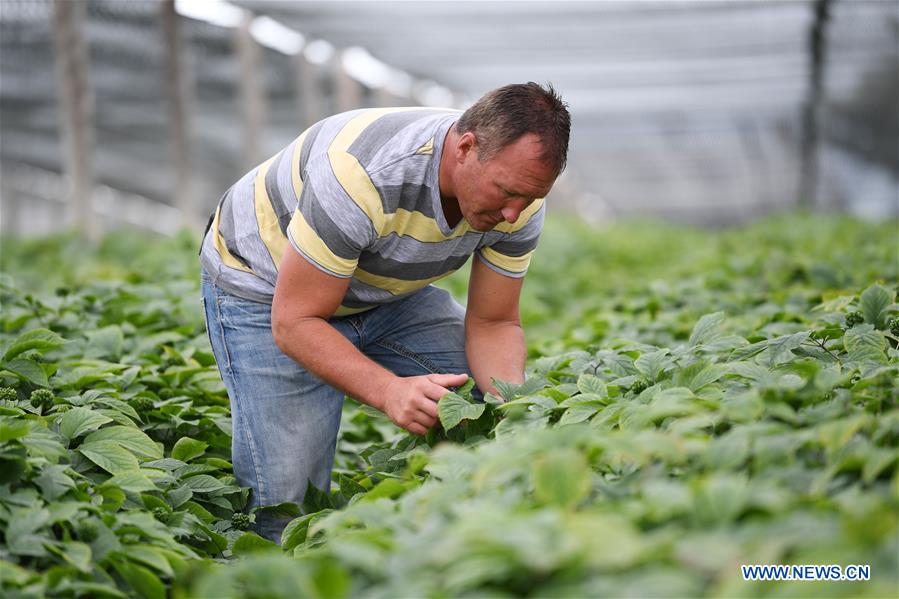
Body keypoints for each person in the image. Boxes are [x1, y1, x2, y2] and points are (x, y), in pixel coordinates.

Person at [199, 82, 570, 541]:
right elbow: (295, 321)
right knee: (285, 502)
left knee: (482, 408)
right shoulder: (363, 175)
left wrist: (511, 407)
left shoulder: (520, 200)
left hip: (384, 291)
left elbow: (493, 322)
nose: (514, 214)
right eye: (506, 192)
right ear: (466, 148)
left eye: (529, 198)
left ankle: (466, 533)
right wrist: (389, 391)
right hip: (266, 285)